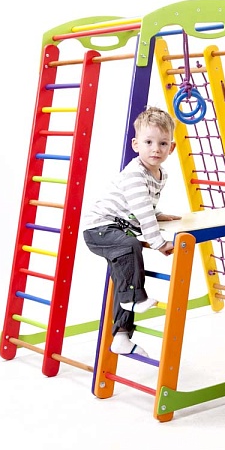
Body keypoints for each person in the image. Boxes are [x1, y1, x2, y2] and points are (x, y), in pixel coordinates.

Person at [82, 106, 180, 357]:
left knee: (125, 279)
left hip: (118, 227)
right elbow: (142, 210)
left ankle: (122, 336)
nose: (156, 149)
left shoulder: (160, 174)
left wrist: (159, 214)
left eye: (163, 143)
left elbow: (144, 205)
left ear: (171, 147)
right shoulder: (135, 173)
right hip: (100, 227)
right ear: (136, 144)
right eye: (148, 142)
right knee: (131, 247)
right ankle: (134, 298)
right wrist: (158, 243)